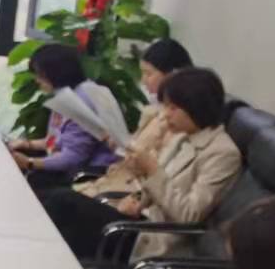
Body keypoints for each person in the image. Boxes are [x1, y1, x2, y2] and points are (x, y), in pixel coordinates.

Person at [39, 67, 238, 260]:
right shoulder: (183, 136)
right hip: (138, 221)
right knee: (54, 202)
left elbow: (188, 214)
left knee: (62, 203)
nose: (165, 114)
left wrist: (151, 169)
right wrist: (138, 191)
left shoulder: (222, 153)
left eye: (173, 108)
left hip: (156, 239)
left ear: (197, 107)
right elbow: (157, 187)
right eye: (165, 106)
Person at [70, 36, 193, 204]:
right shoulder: (155, 111)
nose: (143, 80)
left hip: (130, 194)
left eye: (149, 74)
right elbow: (137, 147)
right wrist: (118, 142)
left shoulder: (178, 122)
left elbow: (153, 164)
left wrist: (127, 149)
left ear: (173, 75)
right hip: (117, 181)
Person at [8, 44, 121, 188]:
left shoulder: (80, 102)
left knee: (35, 179)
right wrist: (27, 144)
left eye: (40, 75)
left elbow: (73, 157)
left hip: (92, 171)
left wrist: (29, 163)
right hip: (75, 162)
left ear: (55, 73)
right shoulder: (71, 93)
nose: (37, 80)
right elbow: (56, 140)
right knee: (18, 153)